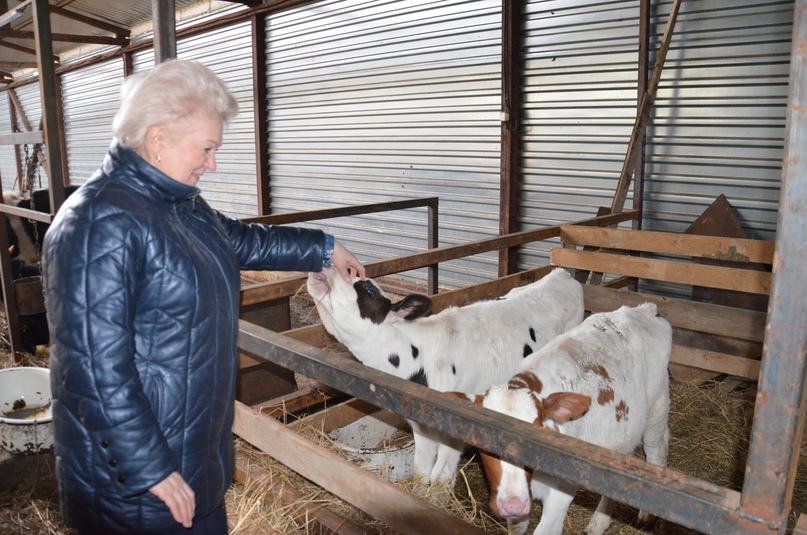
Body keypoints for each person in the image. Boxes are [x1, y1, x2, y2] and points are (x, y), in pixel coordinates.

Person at [42, 59, 365, 535]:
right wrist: (150, 466)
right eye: (207, 148)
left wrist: (322, 247)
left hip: (189, 452)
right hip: (137, 486)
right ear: (158, 139)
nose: (212, 163)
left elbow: (237, 241)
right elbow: (91, 370)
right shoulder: (97, 225)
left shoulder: (176, 203)